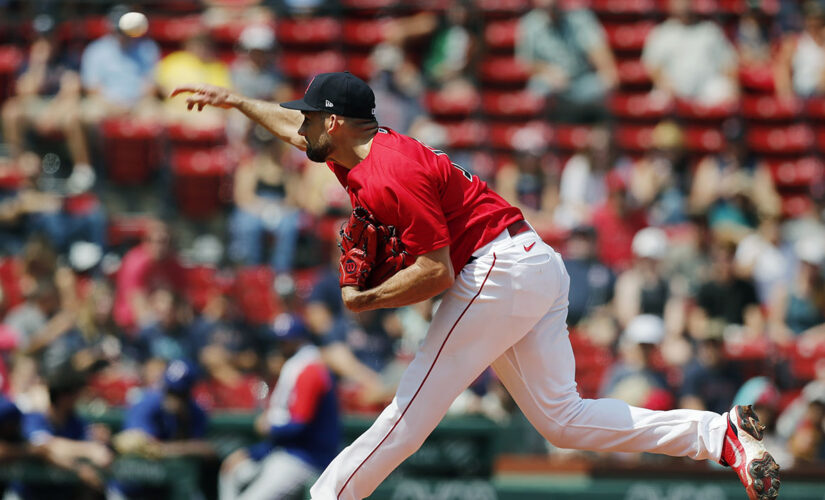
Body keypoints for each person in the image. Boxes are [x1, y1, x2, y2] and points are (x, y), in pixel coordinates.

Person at [172, 72, 780, 500]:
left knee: (408, 415)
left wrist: (366, 299)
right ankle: (718, 435)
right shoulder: (359, 149)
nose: (301, 125)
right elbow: (291, 128)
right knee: (562, 421)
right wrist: (235, 101)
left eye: (310, 117)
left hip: (494, 270)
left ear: (333, 123)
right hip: (531, 263)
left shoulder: (386, 175)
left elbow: (435, 271)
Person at [219, 313, 339, 499]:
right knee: (233, 471)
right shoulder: (295, 368)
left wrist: (270, 427)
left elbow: (299, 426)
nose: (279, 347)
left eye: (285, 342)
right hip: (286, 453)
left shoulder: (310, 370)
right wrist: (252, 452)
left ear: (298, 341)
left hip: (307, 459)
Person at [642, 0, 739, 105]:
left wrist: (731, 84)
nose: (682, 5)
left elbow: (728, 63)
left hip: (706, 88)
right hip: (673, 88)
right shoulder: (661, 33)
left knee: (726, 91)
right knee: (657, 101)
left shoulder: (710, 31)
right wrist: (665, 84)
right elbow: (652, 66)